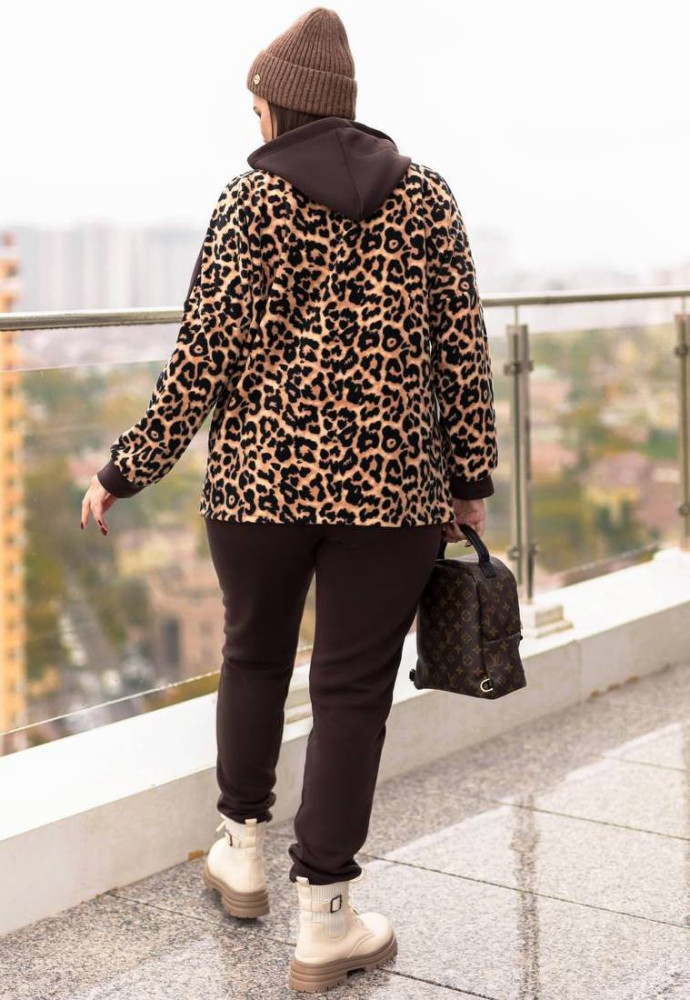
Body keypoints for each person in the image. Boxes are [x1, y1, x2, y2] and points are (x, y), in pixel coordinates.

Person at [80, 5, 498, 993]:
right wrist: (469, 481)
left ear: (281, 108)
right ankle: (328, 919)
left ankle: (241, 853)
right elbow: (463, 352)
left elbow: (201, 358)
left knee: (254, 656)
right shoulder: (427, 197)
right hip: (391, 494)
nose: (254, 121)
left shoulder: (250, 201)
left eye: (257, 105)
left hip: (257, 491)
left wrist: (124, 469)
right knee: (352, 693)